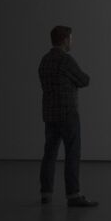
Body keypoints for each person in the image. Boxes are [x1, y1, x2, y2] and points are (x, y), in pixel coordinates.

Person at [38, 25, 98, 207]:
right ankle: (73, 195)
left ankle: (46, 193)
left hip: (49, 114)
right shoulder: (66, 60)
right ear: (64, 40)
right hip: (67, 114)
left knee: (49, 154)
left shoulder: (45, 60)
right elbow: (84, 80)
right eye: (70, 38)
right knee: (72, 153)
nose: (72, 42)